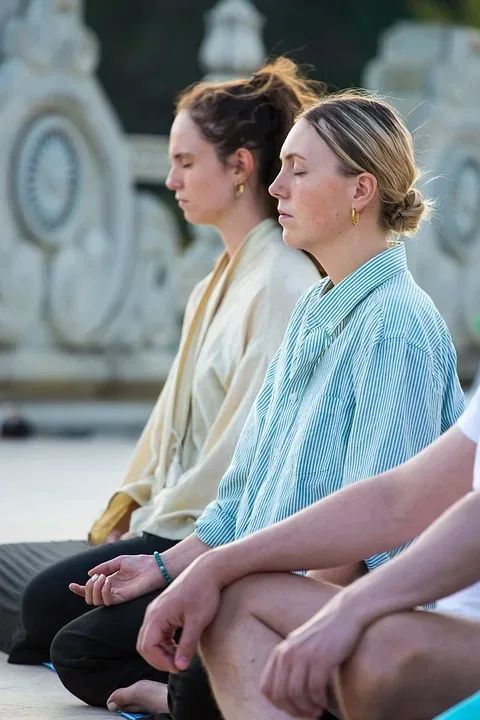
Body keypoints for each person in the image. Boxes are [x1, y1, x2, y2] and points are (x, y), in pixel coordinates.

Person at [53, 90, 464, 720]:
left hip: (333, 613)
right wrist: (165, 567)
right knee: (83, 642)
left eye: (298, 172)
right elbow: (243, 495)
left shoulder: (396, 325)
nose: (276, 189)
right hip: (265, 588)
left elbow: (372, 543)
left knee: (162, 652)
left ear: (361, 192)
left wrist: (291, 635)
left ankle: (192, 698)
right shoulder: (312, 312)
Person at [5, 56, 321, 689]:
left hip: (200, 532)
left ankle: (186, 676)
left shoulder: (284, 283)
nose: (172, 180)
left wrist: (162, 545)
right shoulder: (215, 280)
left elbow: (245, 455)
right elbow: (167, 434)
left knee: (50, 614)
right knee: (19, 583)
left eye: (185, 162)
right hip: (167, 519)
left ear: (238, 167)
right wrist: (133, 504)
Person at [139, 386, 480, 720]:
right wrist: (211, 567)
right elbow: (398, 497)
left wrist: (351, 608)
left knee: (384, 658)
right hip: (451, 626)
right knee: (231, 599)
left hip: (443, 636)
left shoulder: (392, 332)